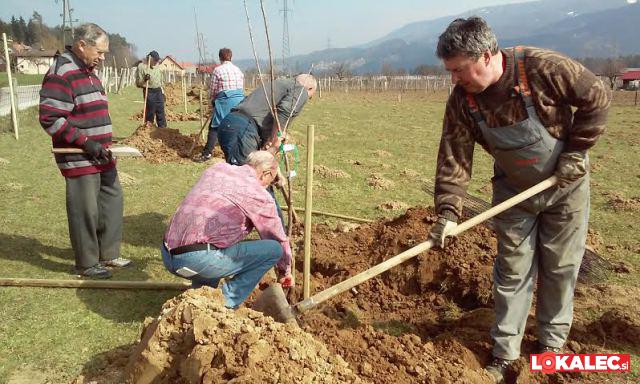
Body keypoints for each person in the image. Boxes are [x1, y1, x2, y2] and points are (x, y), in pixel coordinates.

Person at [428, 17, 610, 383]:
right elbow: (454, 155)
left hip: (565, 186)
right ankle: (505, 353)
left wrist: (576, 152)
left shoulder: (541, 67)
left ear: (486, 55)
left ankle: (552, 348)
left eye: (460, 70)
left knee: (560, 268)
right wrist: (448, 211)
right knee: (512, 271)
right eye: (450, 71)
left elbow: (597, 97)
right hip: (514, 192)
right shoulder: (463, 100)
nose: (454, 79)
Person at [39, 23, 131, 279]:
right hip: (79, 154)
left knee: (112, 199)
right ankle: (86, 263)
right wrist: (85, 142)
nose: (103, 57)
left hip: (102, 153)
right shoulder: (62, 72)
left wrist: (100, 144)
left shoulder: (89, 70)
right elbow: (50, 117)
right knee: (85, 209)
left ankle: (109, 254)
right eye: (99, 52)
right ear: (81, 45)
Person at [162, 151, 293, 308]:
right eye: (270, 181)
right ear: (266, 174)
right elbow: (276, 238)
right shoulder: (259, 195)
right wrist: (285, 272)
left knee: (212, 240)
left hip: (168, 254)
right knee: (273, 250)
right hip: (197, 260)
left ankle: (201, 296)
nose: (268, 187)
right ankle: (224, 303)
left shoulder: (217, 169)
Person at [217, 73, 317, 166]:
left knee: (240, 174)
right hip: (243, 130)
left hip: (232, 123)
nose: (307, 99)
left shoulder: (278, 83)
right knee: (246, 176)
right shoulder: (300, 90)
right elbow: (285, 112)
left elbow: (264, 116)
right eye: (310, 96)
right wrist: (275, 141)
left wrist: (267, 144)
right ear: (310, 88)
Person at [195, 48, 245, 162]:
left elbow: (213, 90)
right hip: (239, 101)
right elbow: (241, 88)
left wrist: (212, 101)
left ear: (220, 58)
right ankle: (239, 151)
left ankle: (207, 153)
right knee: (236, 125)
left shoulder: (218, 70)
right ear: (231, 57)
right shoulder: (238, 70)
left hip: (225, 100)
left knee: (215, 127)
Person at [136, 50, 166, 128]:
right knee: (150, 111)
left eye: (157, 60)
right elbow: (138, 84)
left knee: (161, 110)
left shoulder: (158, 66)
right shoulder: (141, 67)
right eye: (155, 60)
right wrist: (145, 79)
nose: (156, 62)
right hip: (149, 91)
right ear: (150, 59)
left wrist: (163, 92)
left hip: (158, 91)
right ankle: (149, 130)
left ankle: (163, 130)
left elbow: (160, 81)